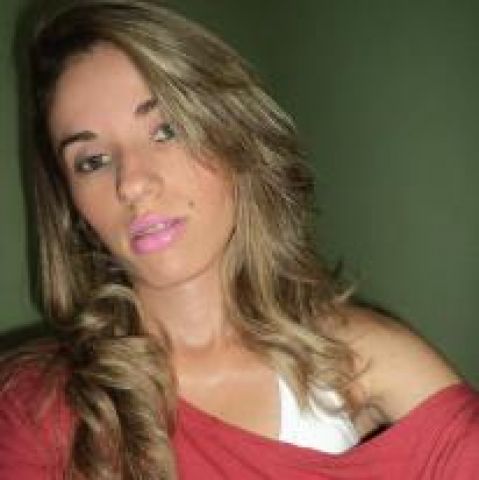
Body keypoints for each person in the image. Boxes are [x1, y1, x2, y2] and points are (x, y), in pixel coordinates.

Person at [0, 0, 477, 479]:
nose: (133, 183)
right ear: (72, 205)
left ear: (236, 139)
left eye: (166, 130)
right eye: (92, 161)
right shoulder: (33, 407)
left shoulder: (358, 354)